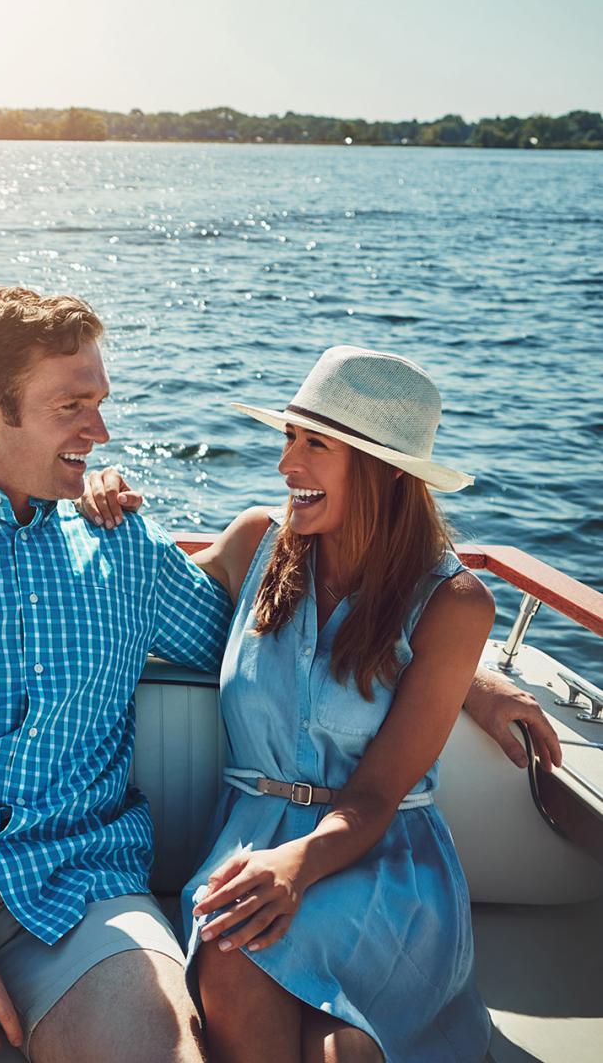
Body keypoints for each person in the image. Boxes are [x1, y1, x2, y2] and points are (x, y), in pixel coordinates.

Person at [0, 289, 554, 1063]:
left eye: (99, 402)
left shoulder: (121, 546)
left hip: (80, 893)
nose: (99, 430)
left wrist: (464, 679)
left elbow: (265, 644)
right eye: (71, 407)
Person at [78, 345, 552, 1062]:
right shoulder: (255, 545)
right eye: (287, 437)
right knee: (234, 946)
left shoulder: (453, 604)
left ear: (385, 471)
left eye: (313, 444)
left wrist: (465, 678)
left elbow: (376, 794)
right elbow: (145, 596)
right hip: (249, 843)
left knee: (347, 1053)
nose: (285, 465)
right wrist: (102, 501)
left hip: (381, 860)